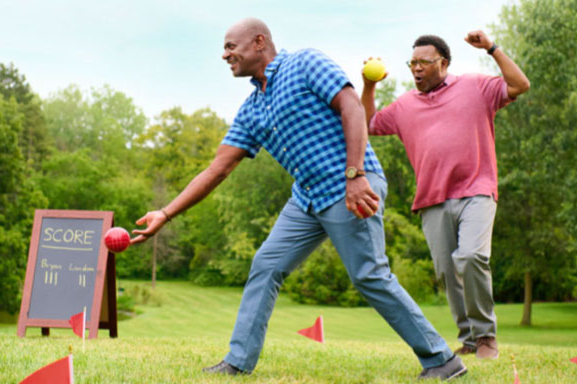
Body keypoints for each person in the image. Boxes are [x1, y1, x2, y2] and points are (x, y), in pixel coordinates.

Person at [131, 18, 466, 381]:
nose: (225, 54)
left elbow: (352, 107)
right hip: (306, 198)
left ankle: (441, 360)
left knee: (369, 274)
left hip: (351, 187)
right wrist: (165, 213)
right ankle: (237, 361)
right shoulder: (252, 109)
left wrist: (355, 175)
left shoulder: (305, 63)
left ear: (259, 42)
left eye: (231, 46)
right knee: (266, 264)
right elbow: (216, 170)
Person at [360, 31, 530, 360]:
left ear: (444, 63)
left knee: (470, 258)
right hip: (432, 200)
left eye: (424, 62)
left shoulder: (475, 86)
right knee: (448, 272)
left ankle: (485, 338)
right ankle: (468, 339)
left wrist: (492, 49)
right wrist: (369, 84)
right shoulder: (405, 105)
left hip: (477, 191)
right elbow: (367, 124)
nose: (417, 68)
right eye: (413, 63)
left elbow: (520, 85)